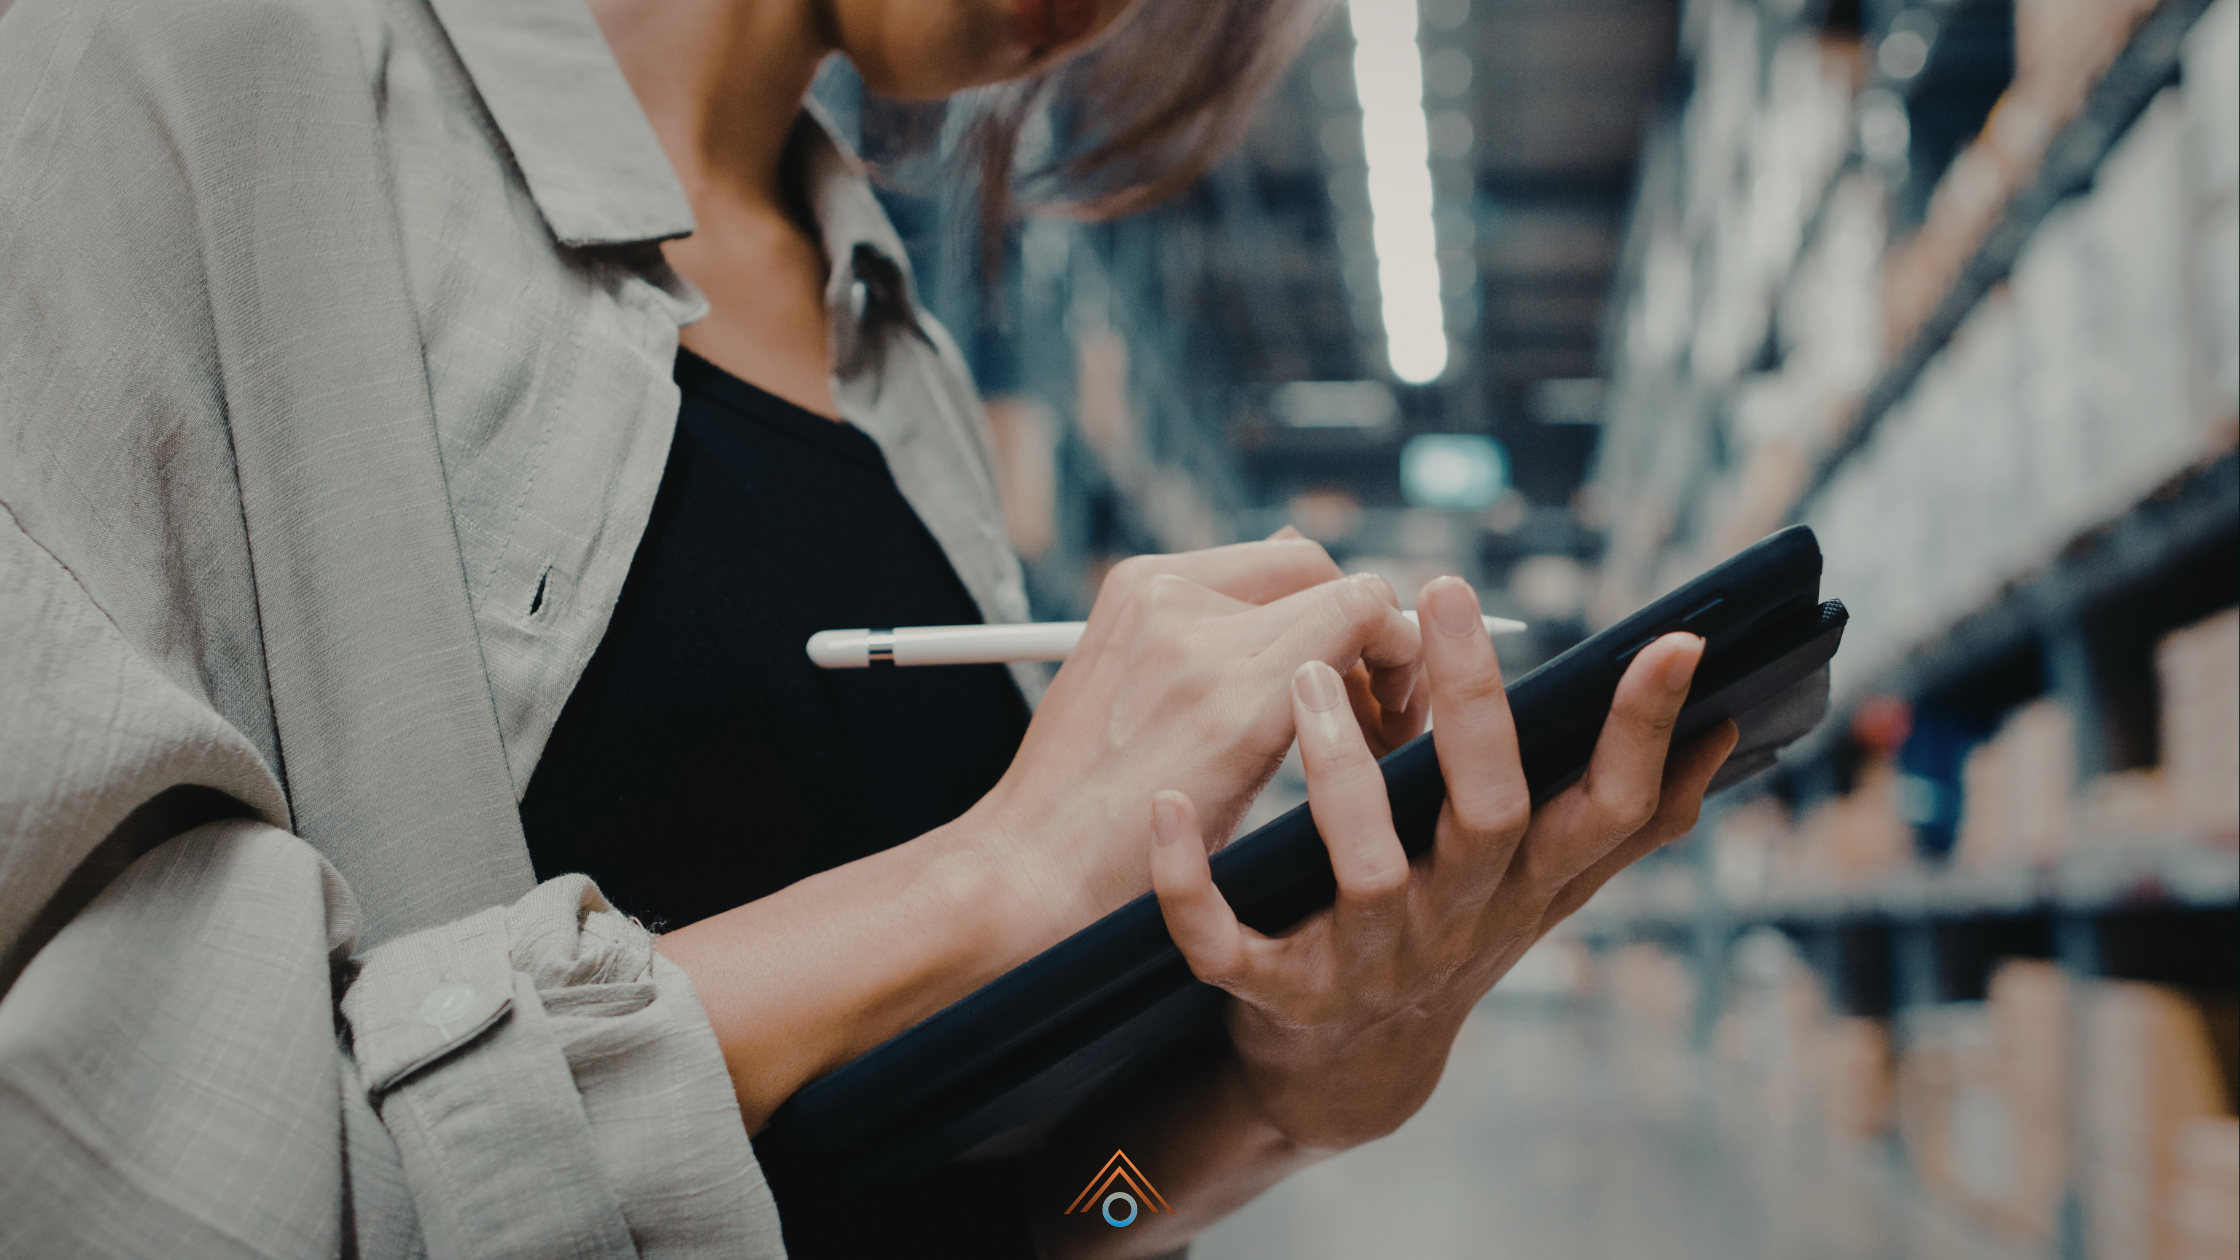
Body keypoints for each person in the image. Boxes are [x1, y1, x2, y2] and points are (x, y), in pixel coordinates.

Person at [0, 0, 1738, 1254]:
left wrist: (1281, 1097)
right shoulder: (187, 71)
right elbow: (88, 1161)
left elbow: (1051, 1218)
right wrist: (990, 876)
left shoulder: (905, 376)